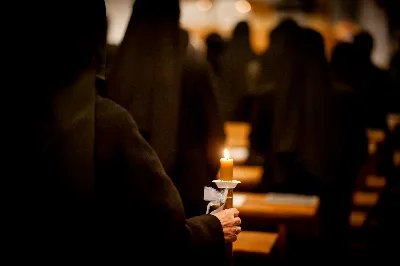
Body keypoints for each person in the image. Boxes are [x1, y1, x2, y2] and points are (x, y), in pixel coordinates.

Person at [4, 1, 240, 265]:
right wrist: (211, 221)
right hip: (178, 197)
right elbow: (164, 235)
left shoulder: (121, 67)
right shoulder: (110, 122)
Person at [107, 0, 225, 218]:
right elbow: (215, 134)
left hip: (129, 190)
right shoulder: (194, 65)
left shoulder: (119, 65)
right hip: (187, 190)